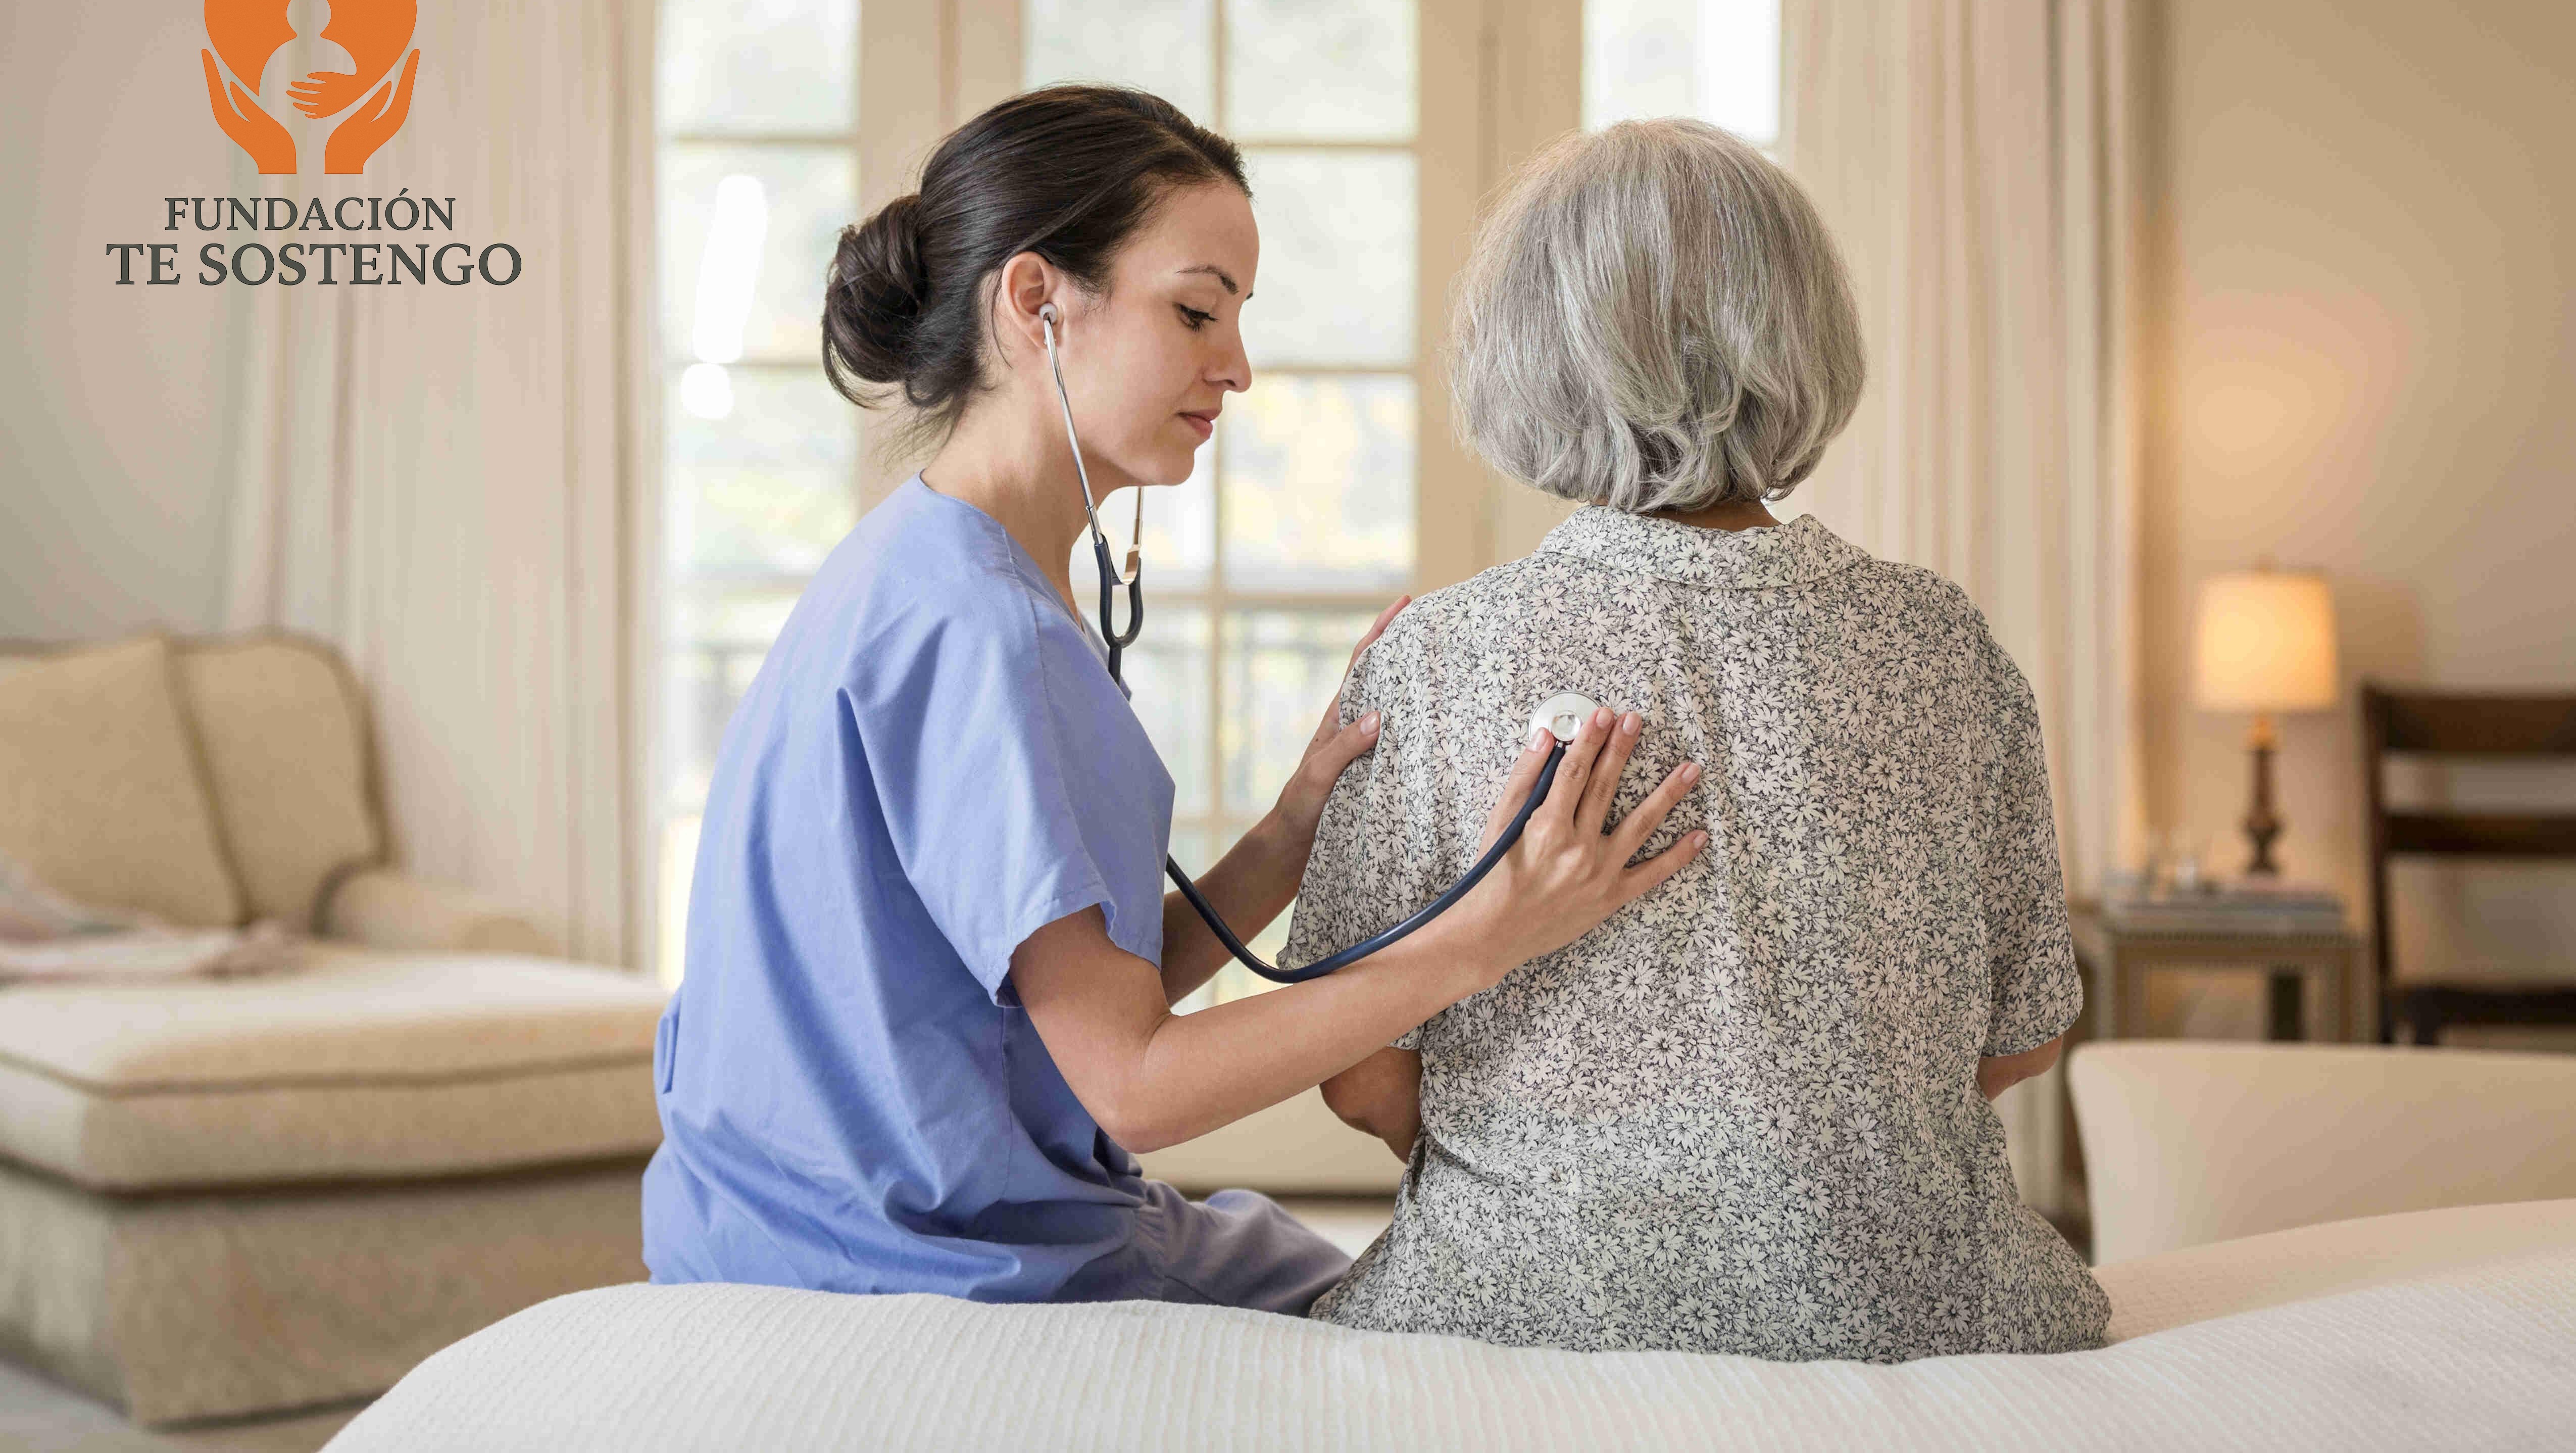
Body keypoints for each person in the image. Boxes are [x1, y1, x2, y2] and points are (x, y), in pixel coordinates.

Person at [640, 85, 1704, 1315]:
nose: (1237, 366)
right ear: (1035, 302)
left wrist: (1291, 830)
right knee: (1420, 1322)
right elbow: (1134, 1082)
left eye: (1238, 318)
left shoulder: (917, 562)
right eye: (1197, 310)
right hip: (941, 1258)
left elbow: (1063, 991)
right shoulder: (987, 633)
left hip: (772, 1225)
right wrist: (1485, 937)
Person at [1283, 117, 2111, 1360]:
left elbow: (1359, 1077)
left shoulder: (1436, 657)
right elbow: (2026, 1033)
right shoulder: (1946, 643)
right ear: (1806, 338)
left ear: (1528, 355)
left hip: (1518, 1311)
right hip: (1923, 1317)